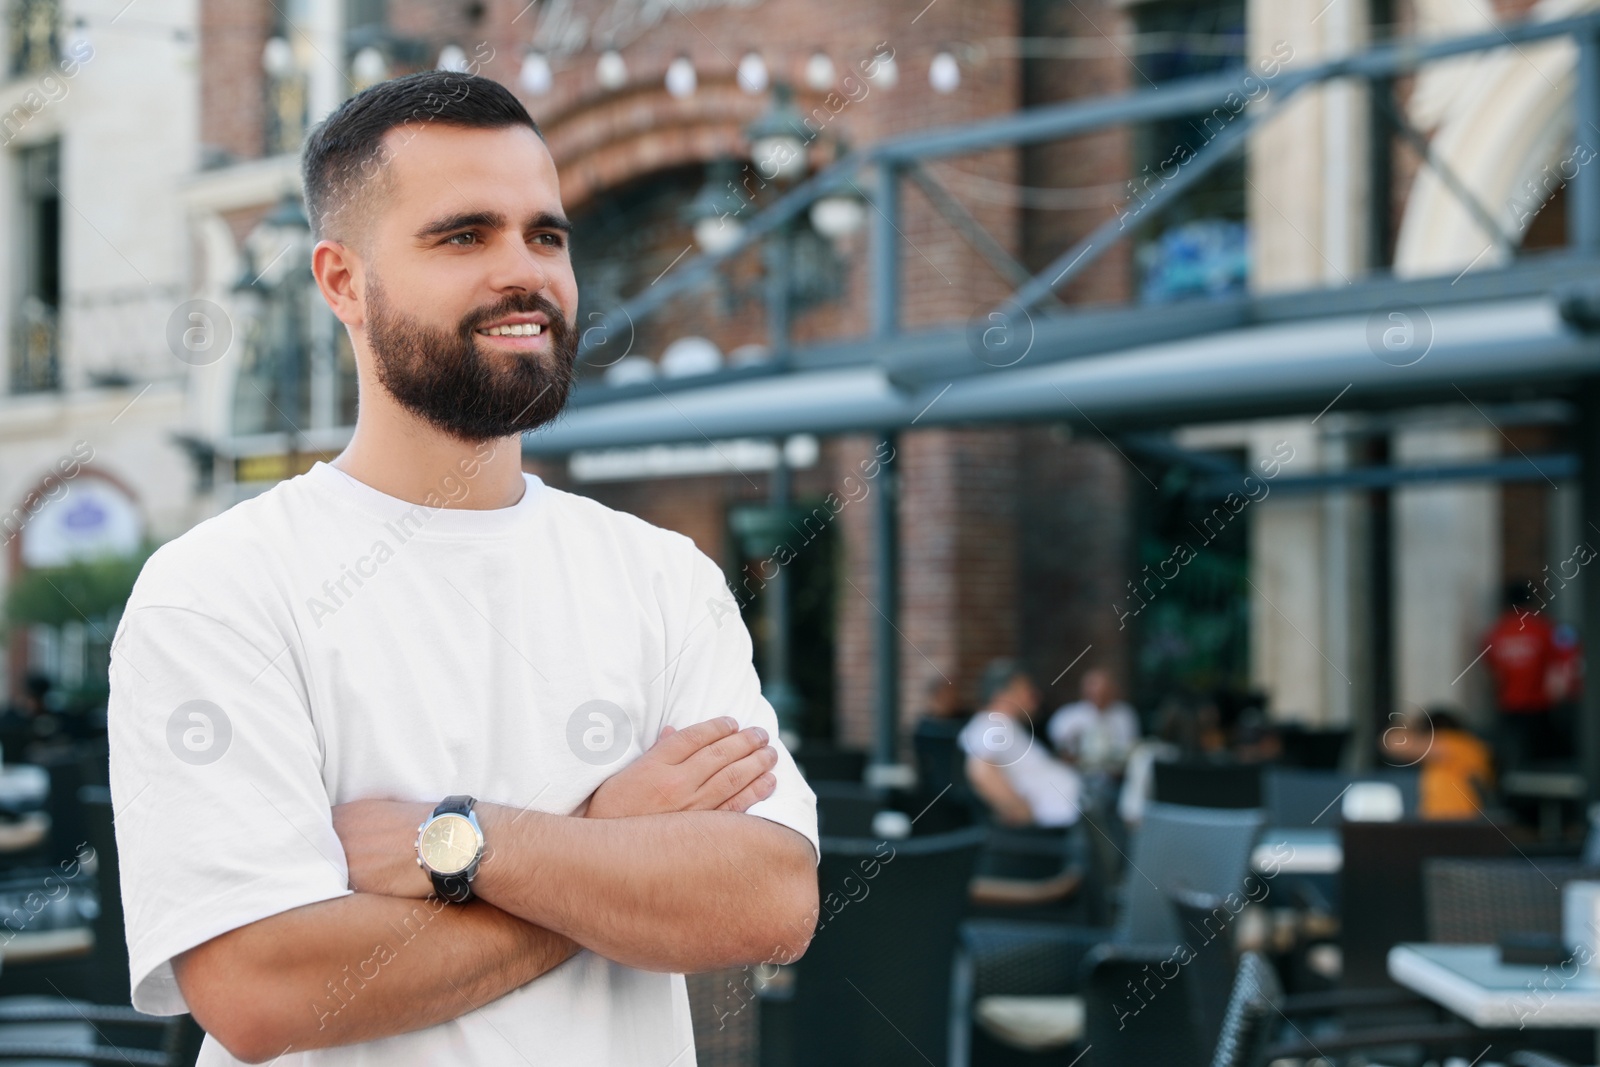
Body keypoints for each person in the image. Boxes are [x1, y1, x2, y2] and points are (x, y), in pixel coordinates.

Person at [107, 73, 819, 1066]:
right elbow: (261, 988)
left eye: (547, 235)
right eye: (462, 235)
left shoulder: (662, 576)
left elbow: (770, 902)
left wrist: (461, 841)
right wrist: (607, 835)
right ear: (342, 282)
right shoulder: (221, 589)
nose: (523, 272)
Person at [959, 660, 1082, 828]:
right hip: (1057, 828)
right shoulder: (992, 725)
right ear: (1002, 694)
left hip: (1074, 815)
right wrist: (1023, 813)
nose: (1035, 696)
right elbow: (980, 771)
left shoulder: (1007, 725)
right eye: (1026, 690)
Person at [1483, 580, 1559, 771]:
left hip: (1508, 706)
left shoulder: (1495, 633)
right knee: (1542, 762)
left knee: (1512, 758)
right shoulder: (1543, 628)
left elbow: (1492, 670)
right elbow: (1559, 665)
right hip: (1540, 706)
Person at [1381, 706, 1494, 820]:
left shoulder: (1458, 744)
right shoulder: (1467, 748)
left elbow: (1392, 743)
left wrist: (1412, 724)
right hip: (1444, 820)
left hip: (1456, 818)